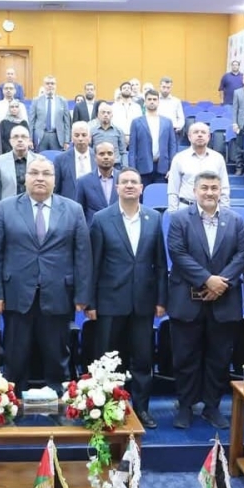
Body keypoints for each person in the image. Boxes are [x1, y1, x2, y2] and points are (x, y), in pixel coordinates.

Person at [0, 157, 91, 395]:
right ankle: (12, 406)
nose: (40, 178)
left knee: (57, 359)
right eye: (34, 173)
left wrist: (82, 295)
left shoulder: (73, 210)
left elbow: (83, 256)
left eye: (46, 174)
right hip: (16, 295)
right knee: (15, 359)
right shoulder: (5, 208)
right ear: (25, 178)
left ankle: (60, 407)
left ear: (55, 179)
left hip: (58, 295)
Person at [86, 167, 166, 429]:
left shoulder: (154, 218)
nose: (130, 185)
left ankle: (141, 409)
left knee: (142, 360)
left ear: (141, 188)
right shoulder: (101, 219)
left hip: (143, 302)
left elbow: (160, 264)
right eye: (125, 182)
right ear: (117, 188)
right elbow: (93, 264)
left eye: (134, 182)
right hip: (109, 302)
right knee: (108, 358)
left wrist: (161, 300)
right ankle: (106, 407)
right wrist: (91, 302)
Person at [167, 171, 244, 429]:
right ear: (195, 191)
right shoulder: (179, 219)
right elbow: (178, 253)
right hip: (187, 301)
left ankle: (212, 407)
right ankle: (186, 405)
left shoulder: (235, 220)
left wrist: (220, 284)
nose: (210, 192)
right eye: (205, 188)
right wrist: (207, 280)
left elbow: (242, 254)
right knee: (185, 357)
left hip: (224, 301)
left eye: (214, 187)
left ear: (221, 190)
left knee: (219, 358)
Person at [167, 123, 230, 211]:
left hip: (211, 209)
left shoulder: (218, 158)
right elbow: (173, 190)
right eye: (196, 132)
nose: (200, 135)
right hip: (186, 208)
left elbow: (224, 188)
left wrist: (224, 210)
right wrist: (173, 212)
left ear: (208, 137)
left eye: (203, 132)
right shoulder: (179, 158)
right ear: (189, 137)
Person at [128, 90, 177, 186]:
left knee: (160, 194)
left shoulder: (167, 122)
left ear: (158, 102)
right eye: (149, 99)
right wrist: (132, 170)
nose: (152, 101)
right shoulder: (136, 122)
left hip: (163, 167)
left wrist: (172, 168)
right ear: (145, 102)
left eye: (154, 99)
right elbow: (132, 149)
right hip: (142, 168)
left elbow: (172, 146)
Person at [75, 142, 119, 224]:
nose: (106, 157)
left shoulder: (124, 179)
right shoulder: (83, 181)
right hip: (93, 229)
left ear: (115, 156)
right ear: (95, 157)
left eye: (110, 153)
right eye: (102, 154)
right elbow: (79, 213)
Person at [0, 125, 37, 200]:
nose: (20, 140)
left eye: (23, 137)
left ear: (29, 141)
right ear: (10, 141)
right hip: (8, 205)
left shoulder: (39, 160)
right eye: (16, 137)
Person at [53, 121, 95, 200]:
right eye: (76, 135)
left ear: (90, 138)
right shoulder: (60, 160)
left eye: (84, 135)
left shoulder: (97, 157)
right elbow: (55, 190)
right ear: (72, 138)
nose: (80, 139)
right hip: (68, 204)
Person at [28, 76, 71, 152]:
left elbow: (67, 123)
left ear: (55, 85)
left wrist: (67, 141)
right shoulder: (36, 101)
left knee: (56, 158)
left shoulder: (62, 101)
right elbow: (31, 122)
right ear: (44, 85)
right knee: (39, 158)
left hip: (57, 137)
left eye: (52, 83)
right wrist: (30, 139)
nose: (50, 85)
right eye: (47, 83)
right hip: (40, 136)